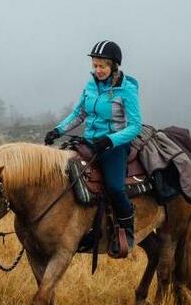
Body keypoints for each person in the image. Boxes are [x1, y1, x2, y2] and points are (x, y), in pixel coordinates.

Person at [44, 40, 142, 258]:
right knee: (68, 178)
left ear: (113, 66)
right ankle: (84, 227)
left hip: (115, 145)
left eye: (102, 66)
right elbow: (79, 113)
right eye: (95, 65)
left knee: (114, 188)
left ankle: (127, 230)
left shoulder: (127, 90)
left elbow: (135, 126)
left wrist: (110, 140)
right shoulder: (90, 86)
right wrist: (58, 130)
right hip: (89, 142)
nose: (98, 70)